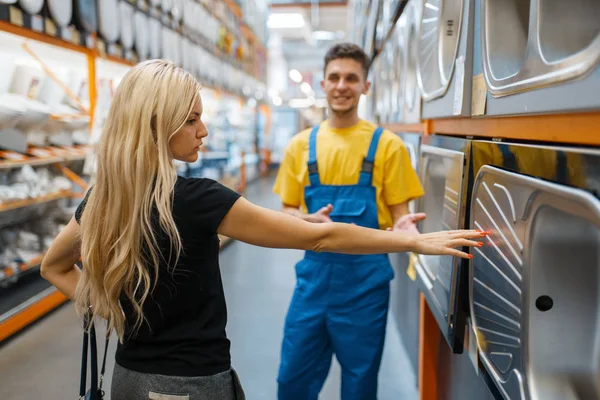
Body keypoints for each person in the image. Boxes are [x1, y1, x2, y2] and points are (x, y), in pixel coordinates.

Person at [40, 59, 485, 400]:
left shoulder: (104, 197)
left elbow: (54, 267)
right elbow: (321, 237)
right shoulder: (198, 200)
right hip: (191, 384)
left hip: (129, 379)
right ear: (158, 123)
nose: (204, 131)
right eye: (192, 120)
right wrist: (411, 240)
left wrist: (115, 311)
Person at [272, 43, 429, 399]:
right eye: (334, 77)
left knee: (360, 383)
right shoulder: (300, 146)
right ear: (323, 84)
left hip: (365, 288)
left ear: (365, 87)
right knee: (292, 380)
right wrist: (301, 219)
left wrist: (405, 229)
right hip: (312, 285)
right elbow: (286, 211)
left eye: (351, 78)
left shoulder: (388, 147)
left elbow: (402, 215)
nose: (342, 85)